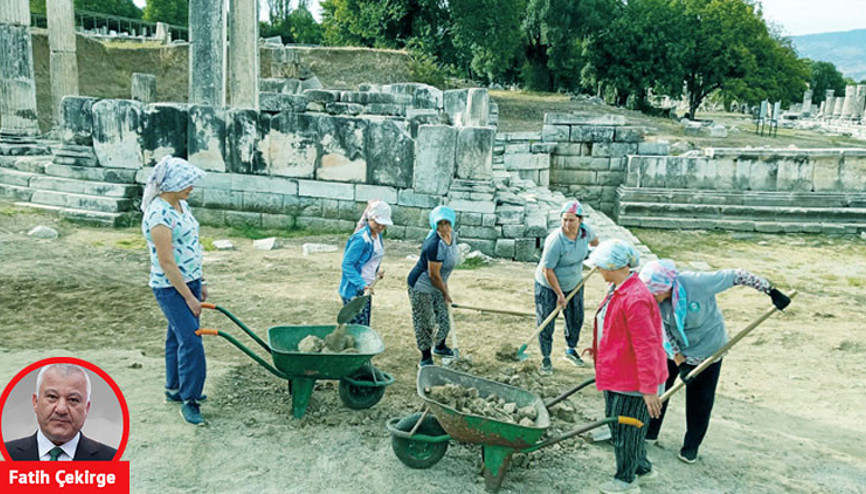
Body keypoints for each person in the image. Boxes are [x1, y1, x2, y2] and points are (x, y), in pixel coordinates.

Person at [638, 259, 791, 464]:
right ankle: (649, 432)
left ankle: (691, 447)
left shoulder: (696, 283)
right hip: (674, 348)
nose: (652, 297)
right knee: (660, 390)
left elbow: (737, 275)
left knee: (700, 399)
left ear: (665, 286)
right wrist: (680, 361)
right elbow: (663, 331)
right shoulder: (653, 301)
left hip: (708, 347)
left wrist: (770, 291)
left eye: (654, 293)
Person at [586, 239, 667, 494]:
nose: (597, 270)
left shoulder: (636, 298)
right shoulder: (618, 287)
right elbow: (612, 325)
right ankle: (642, 468)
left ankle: (626, 481)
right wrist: (598, 349)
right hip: (617, 370)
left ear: (613, 265)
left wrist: (649, 389)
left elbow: (647, 347)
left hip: (633, 381)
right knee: (621, 427)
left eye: (599, 266)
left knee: (625, 431)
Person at [141, 156, 208, 426]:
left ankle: (174, 388)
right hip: (170, 286)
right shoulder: (158, 214)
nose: (191, 186)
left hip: (190, 280)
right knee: (192, 341)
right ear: (171, 183)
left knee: (177, 336)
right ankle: (189, 400)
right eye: (186, 182)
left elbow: (193, 245)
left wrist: (200, 281)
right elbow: (167, 261)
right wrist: (188, 297)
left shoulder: (182, 205)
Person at [534, 200, 599, 375]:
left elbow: (595, 242)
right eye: (564, 220)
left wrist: (597, 257)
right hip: (548, 285)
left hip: (574, 283)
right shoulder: (555, 241)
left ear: (580, 220)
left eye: (571, 220)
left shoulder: (585, 232)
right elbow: (548, 270)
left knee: (576, 318)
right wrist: (559, 295)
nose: (567, 224)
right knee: (546, 321)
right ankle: (545, 357)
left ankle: (571, 349)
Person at [4, 364, 117, 461]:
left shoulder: (111, 459)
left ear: (86, 408)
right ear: (35, 402)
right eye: (52, 397)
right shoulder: (7, 454)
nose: (61, 409)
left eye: (73, 400)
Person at [407, 206, 459, 368]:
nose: (444, 227)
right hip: (421, 285)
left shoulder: (453, 236)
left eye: (447, 223)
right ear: (434, 225)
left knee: (444, 317)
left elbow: (443, 272)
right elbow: (434, 275)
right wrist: (445, 293)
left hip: (438, 283)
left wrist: (445, 289)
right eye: (440, 224)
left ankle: (440, 346)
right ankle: (425, 358)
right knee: (425, 322)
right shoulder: (434, 244)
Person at [339, 200, 393, 326]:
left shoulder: (377, 235)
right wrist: (362, 284)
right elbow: (347, 265)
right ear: (370, 219)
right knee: (357, 326)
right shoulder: (361, 239)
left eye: (383, 224)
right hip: (355, 289)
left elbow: (372, 258)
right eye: (377, 223)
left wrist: (375, 272)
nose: (380, 227)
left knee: (364, 324)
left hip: (367, 287)